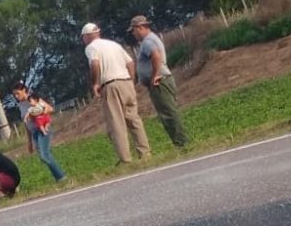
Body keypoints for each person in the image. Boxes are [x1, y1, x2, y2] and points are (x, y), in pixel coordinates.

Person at [80, 22, 151, 164]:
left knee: (116, 123)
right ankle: (145, 153)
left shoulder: (91, 48)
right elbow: (130, 62)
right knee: (134, 119)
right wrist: (131, 79)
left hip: (111, 84)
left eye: (83, 37)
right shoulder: (113, 44)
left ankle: (125, 159)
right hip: (126, 81)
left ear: (87, 36)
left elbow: (95, 64)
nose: (83, 40)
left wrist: (95, 83)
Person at [130, 15, 189, 148]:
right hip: (162, 80)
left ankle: (181, 142)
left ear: (140, 28)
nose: (133, 34)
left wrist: (155, 75)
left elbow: (156, 56)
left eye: (133, 30)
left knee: (168, 113)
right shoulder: (152, 39)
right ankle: (179, 141)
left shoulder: (147, 42)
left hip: (160, 82)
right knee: (168, 112)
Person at [10, 81, 66, 182]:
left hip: (42, 128)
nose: (16, 96)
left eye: (17, 93)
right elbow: (26, 124)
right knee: (44, 156)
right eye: (14, 94)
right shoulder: (21, 105)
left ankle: (61, 177)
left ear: (23, 90)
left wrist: (37, 114)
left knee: (44, 155)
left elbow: (50, 109)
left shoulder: (32, 99)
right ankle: (59, 177)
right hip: (34, 132)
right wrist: (29, 141)